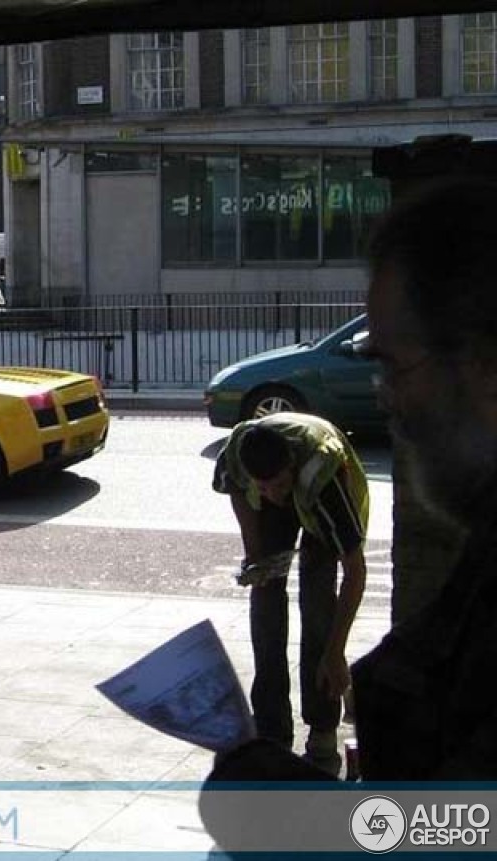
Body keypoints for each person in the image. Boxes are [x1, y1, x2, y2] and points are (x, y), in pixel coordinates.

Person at [201, 177, 497, 849]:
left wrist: (308, 819)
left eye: (394, 366)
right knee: (272, 602)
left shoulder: (325, 472)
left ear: (486, 364)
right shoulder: (485, 547)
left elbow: (464, 828)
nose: (387, 400)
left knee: (315, 602)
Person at [212, 413, 369, 775]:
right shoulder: (237, 455)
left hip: (318, 502)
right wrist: (256, 556)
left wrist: (335, 651)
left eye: (280, 484)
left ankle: (322, 732)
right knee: (265, 602)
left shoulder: (324, 480)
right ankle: (271, 731)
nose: (275, 495)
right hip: (272, 498)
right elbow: (237, 490)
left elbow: (355, 572)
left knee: (318, 607)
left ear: (291, 466)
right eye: (264, 487)